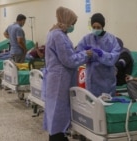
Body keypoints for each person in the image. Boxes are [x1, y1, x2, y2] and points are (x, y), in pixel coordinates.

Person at [42, 6, 91, 141]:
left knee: (56, 111)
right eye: (73, 24)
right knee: (58, 111)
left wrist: (78, 52)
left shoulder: (55, 33)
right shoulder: (58, 35)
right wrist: (85, 55)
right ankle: (57, 137)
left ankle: (58, 135)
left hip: (57, 78)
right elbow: (68, 60)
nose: (72, 27)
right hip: (60, 80)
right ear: (66, 21)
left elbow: (65, 54)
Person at [76, 13, 121, 97]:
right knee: (92, 104)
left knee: (107, 105)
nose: (96, 29)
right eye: (94, 27)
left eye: (98, 27)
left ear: (102, 26)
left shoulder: (111, 39)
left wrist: (102, 54)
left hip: (106, 78)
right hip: (92, 78)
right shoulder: (87, 39)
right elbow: (78, 54)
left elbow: (114, 57)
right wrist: (85, 54)